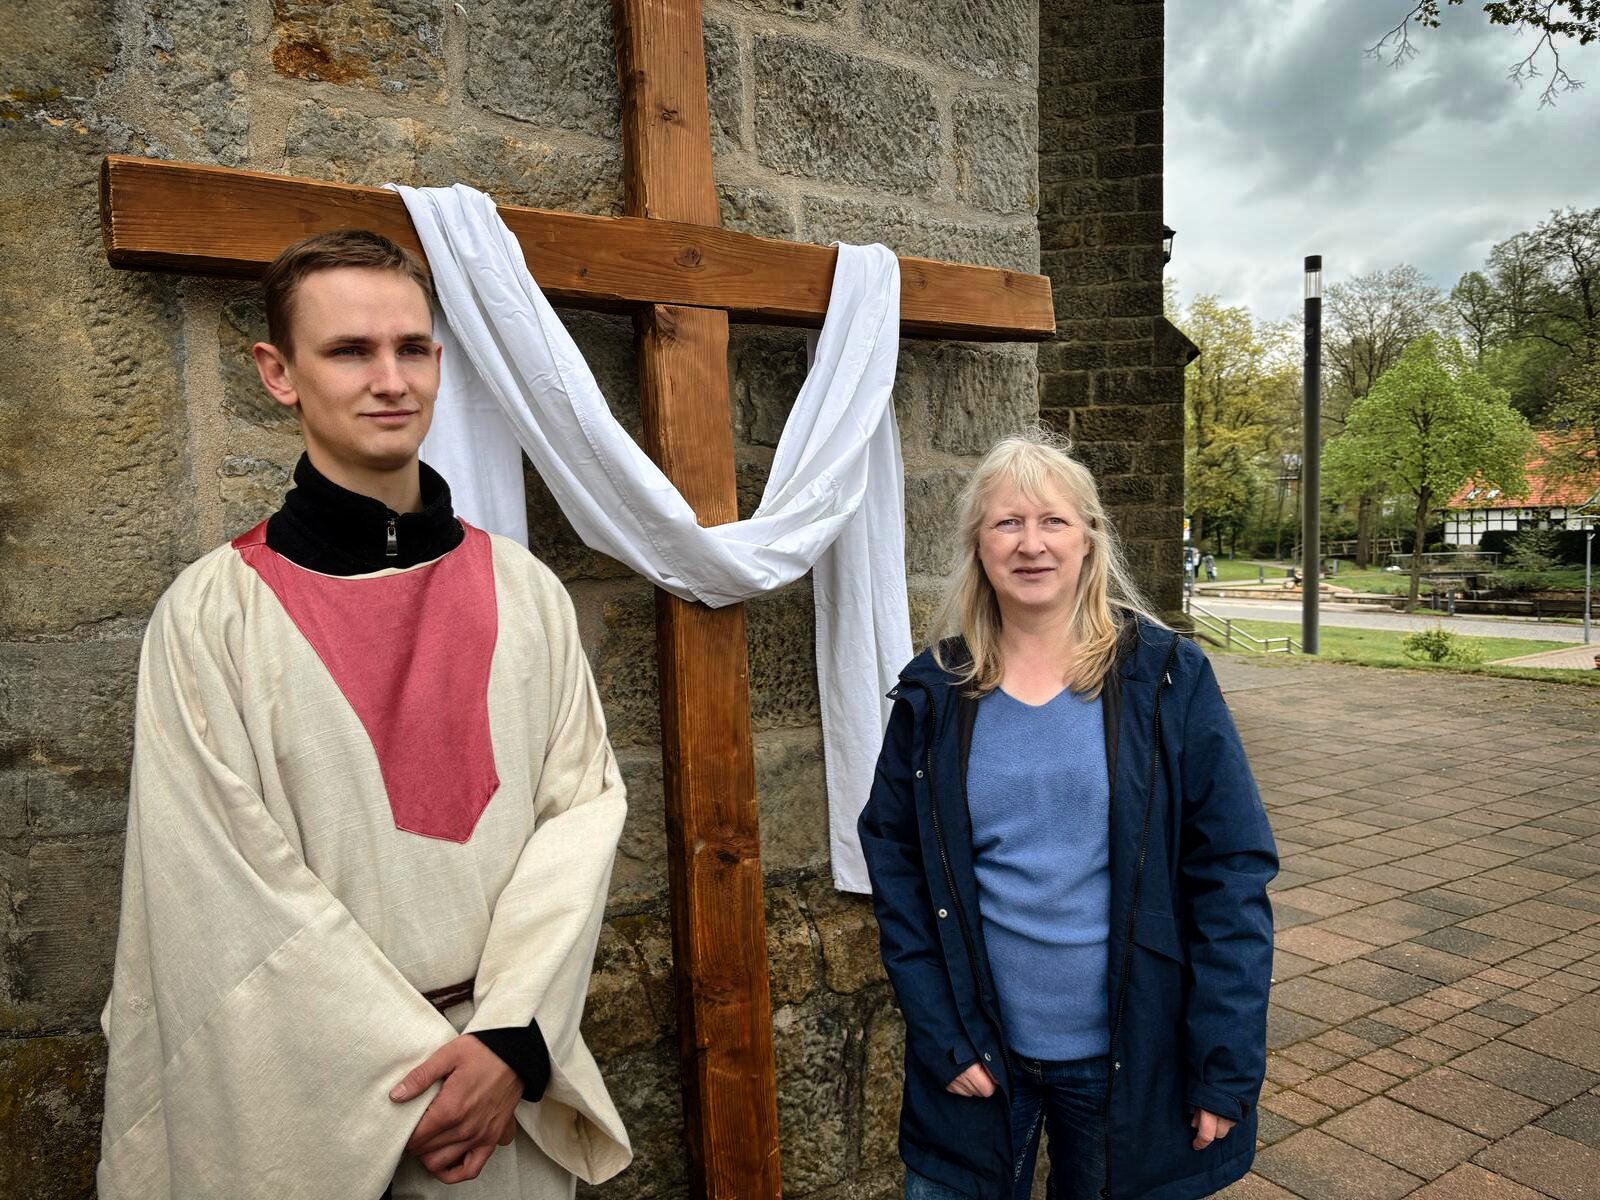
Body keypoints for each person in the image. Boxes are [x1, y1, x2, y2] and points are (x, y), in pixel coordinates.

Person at [98, 230, 631, 1199]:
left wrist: (510, 1038)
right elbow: (216, 889)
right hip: (309, 1109)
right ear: (278, 373)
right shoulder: (213, 615)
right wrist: (399, 1079)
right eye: (349, 351)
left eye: (412, 348)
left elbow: (580, 816)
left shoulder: (526, 592)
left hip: (500, 1095)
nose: (391, 380)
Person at [858, 431, 1276, 1200]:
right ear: (977, 546)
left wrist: (1222, 1063)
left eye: (1053, 521)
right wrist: (942, 1035)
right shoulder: (937, 692)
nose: (1031, 544)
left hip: (1136, 1057)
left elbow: (1230, 876)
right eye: (1006, 523)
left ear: (1089, 538)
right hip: (979, 1056)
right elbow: (899, 870)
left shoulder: (1168, 679)